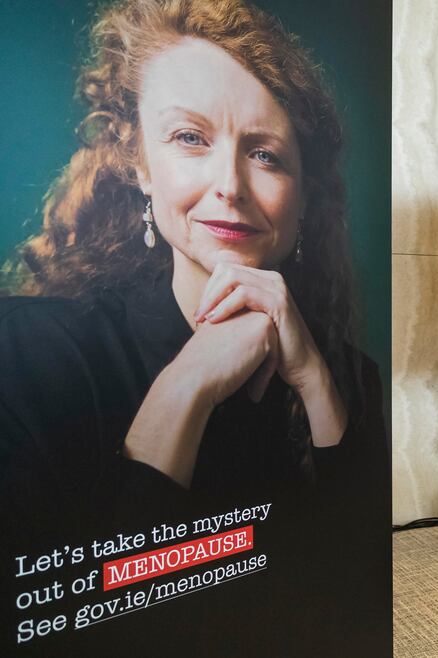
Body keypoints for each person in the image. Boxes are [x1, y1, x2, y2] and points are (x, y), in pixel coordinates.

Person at [0, 1, 386, 654]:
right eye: (190, 138)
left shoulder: (348, 375)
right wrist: (183, 389)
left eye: (265, 154)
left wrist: (316, 382)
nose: (230, 184)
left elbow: (365, 598)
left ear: (301, 198)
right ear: (141, 165)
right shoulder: (32, 355)